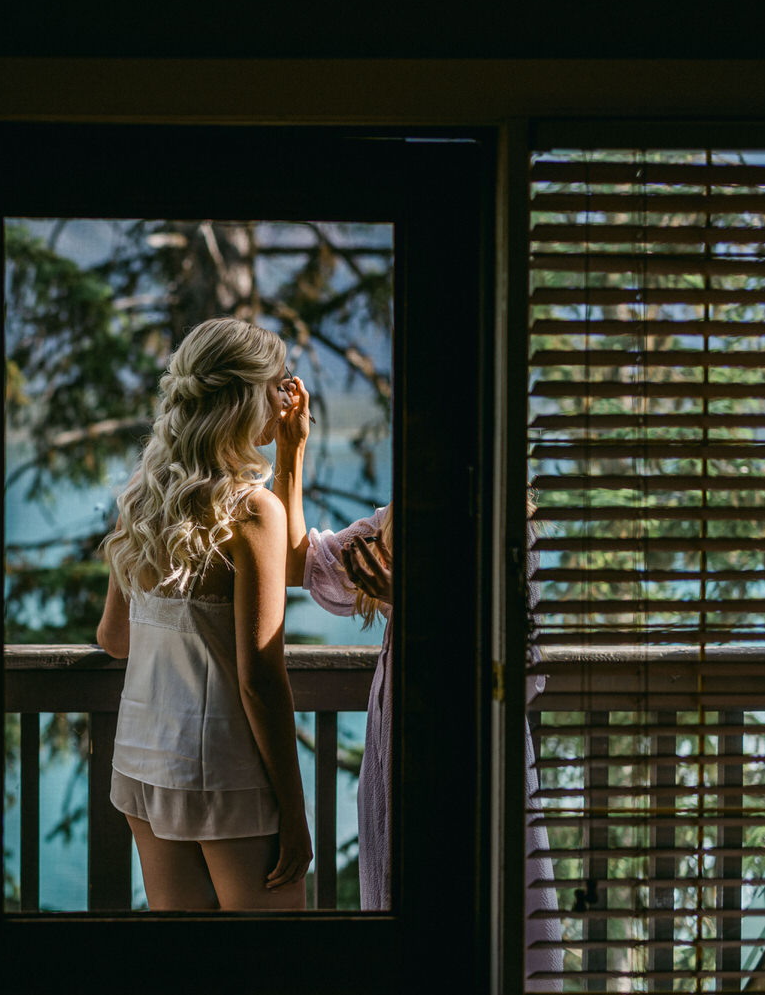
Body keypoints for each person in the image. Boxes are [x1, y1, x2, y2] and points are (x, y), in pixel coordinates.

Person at [274, 427, 563, 986]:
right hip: (399, 751)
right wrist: (292, 451)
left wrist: (407, 599)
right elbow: (299, 565)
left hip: (470, 758)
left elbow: (518, 671)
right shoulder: (394, 523)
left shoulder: (508, 534)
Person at [96, 317, 313, 911]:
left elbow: (115, 639)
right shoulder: (252, 512)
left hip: (145, 764)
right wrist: (294, 813)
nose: (288, 395)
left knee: (188, 967)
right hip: (228, 773)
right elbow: (260, 679)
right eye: (278, 382)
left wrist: (291, 450)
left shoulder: (143, 496)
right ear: (245, 397)